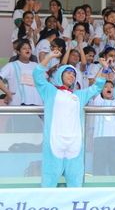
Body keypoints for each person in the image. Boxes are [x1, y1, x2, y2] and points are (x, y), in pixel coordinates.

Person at [34, 50, 106, 187]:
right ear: (60, 75)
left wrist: (104, 68)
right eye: (68, 73)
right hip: (55, 141)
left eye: (74, 74)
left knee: (75, 181)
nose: (72, 76)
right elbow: (37, 75)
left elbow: (96, 88)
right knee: (49, 180)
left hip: (74, 143)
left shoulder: (78, 95)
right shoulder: (50, 91)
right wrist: (49, 56)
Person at [89, 80, 115, 176]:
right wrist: (104, 71)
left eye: (111, 87)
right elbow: (94, 84)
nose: (109, 88)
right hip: (100, 138)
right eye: (106, 86)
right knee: (99, 168)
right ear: (101, 89)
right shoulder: (98, 100)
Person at [0, 41, 43, 105]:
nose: (27, 50)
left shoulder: (36, 65)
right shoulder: (11, 65)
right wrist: (7, 92)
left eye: (29, 48)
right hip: (18, 103)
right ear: (18, 51)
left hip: (37, 102)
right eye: (24, 48)